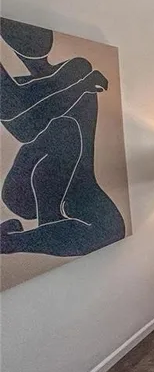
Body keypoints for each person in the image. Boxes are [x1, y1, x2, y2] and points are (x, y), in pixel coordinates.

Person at [0, 19, 125, 256]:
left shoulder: (75, 69)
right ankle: (45, 224)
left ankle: (12, 240)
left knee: (113, 230)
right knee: (65, 129)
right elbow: (24, 129)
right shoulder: (72, 78)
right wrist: (79, 87)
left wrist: (78, 85)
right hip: (25, 186)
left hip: (80, 183)